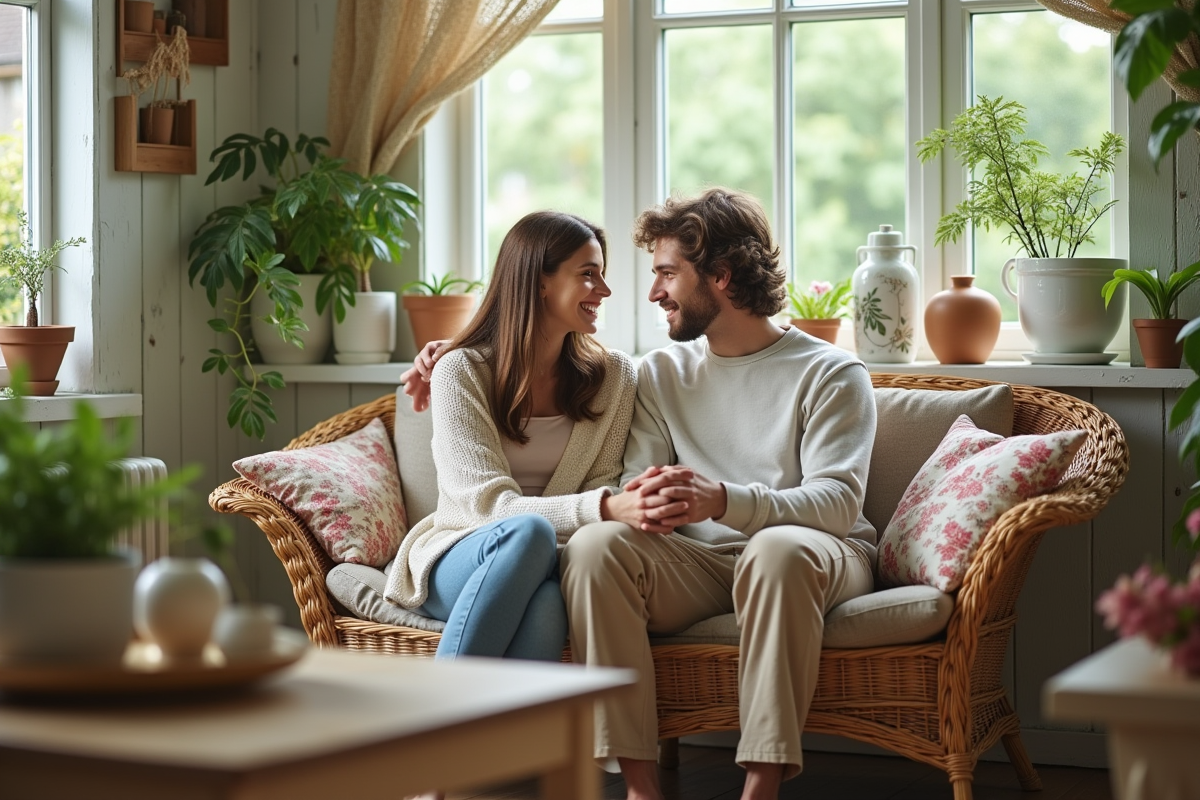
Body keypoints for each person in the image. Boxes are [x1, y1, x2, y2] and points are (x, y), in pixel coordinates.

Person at [403, 189, 877, 800]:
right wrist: (640, 501)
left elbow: (837, 504)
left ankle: (761, 784)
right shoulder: (657, 374)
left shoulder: (832, 372)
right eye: (596, 275)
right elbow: (628, 487)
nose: (650, 292)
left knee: (775, 551)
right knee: (597, 548)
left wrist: (723, 500)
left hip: (813, 555)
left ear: (721, 276)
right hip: (677, 561)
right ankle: (638, 786)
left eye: (666, 274)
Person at [386, 210, 682, 663]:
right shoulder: (461, 371)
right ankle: (439, 721)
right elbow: (486, 509)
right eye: (588, 275)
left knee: (546, 606)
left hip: (553, 564)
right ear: (538, 281)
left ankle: (506, 735)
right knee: (527, 534)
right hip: (460, 553)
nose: (603, 291)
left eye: (602, 275)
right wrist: (605, 507)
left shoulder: (615, 376)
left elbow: (604, 475)